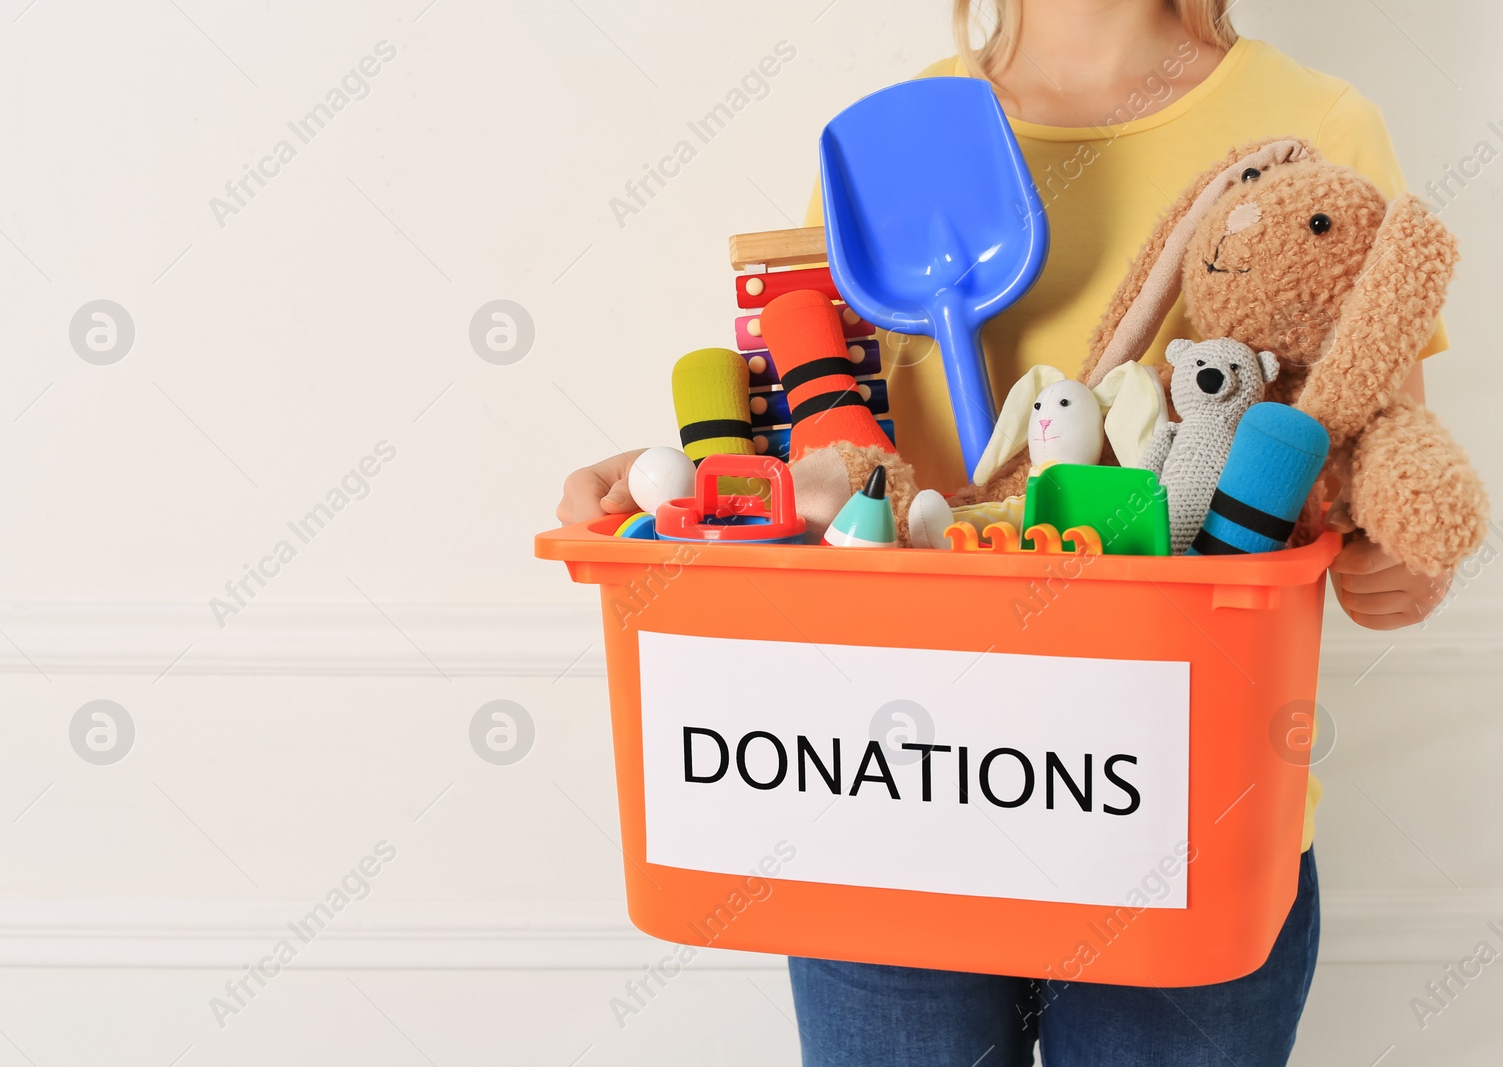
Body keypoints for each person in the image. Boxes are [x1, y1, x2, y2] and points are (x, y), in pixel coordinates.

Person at [558, 1, 1454, 1062]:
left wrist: (1391, 556)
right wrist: (692, 483)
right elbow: (827, 465)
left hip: (1179, 818)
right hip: (893, 793)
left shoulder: (1317, 125)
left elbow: (1376, 446)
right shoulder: (882, 147)